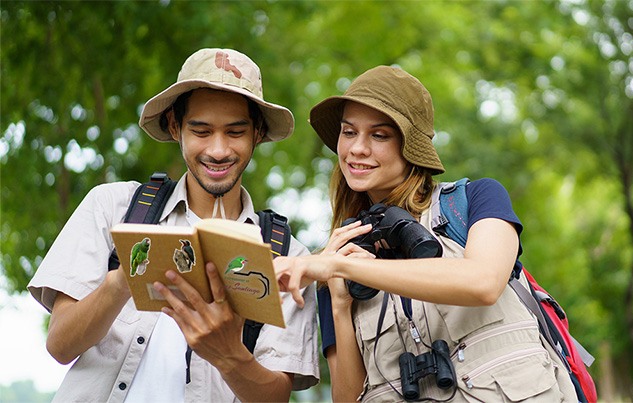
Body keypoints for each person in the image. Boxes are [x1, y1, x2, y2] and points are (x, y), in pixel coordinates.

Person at [27, 48, 319, 402]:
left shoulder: (287, 257)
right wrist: (123, 280)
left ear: (257, 133)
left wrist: (229, 354)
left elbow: (275, 396)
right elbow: (60, 345)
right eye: (201, 130)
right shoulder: (114, 208)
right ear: (174, 126)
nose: (218, 149)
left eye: (235, 132)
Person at [273, 66, 579, 402]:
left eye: (379, 135)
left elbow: (483, 282)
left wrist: (340, 268)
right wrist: (340, 302)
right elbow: (347, 397)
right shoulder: (338, 254)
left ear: (411, 147)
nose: (357, 149)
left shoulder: (475, 200)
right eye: (348, 132)